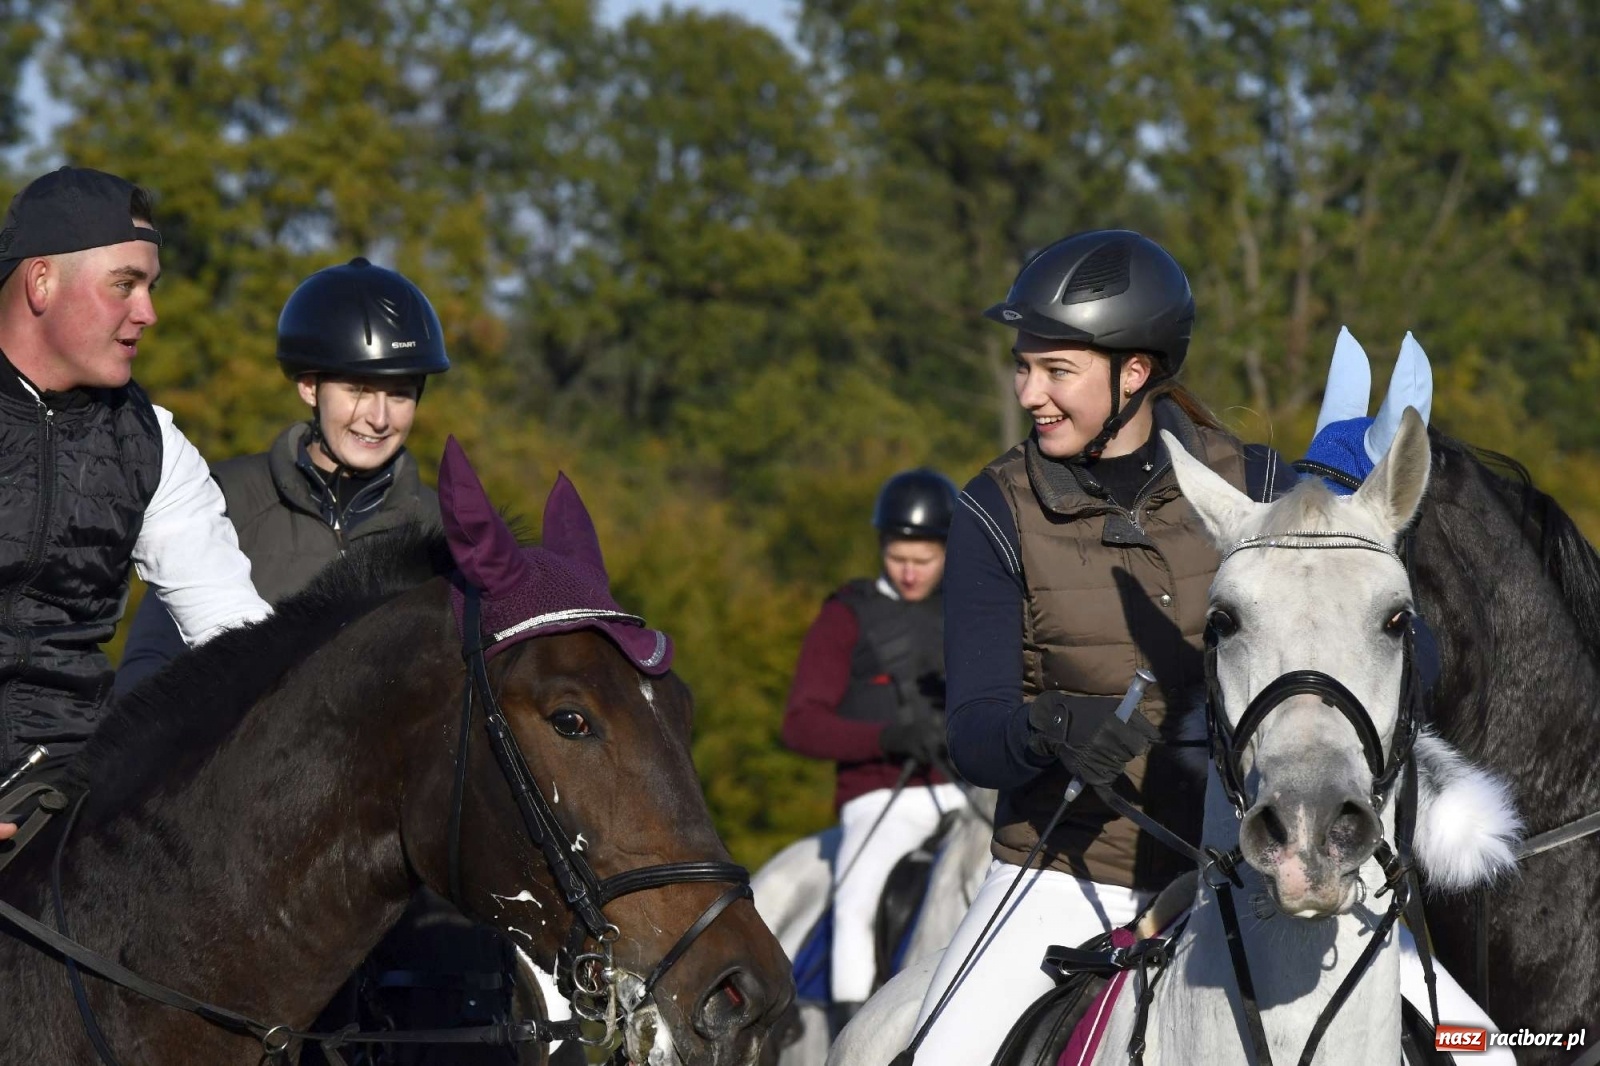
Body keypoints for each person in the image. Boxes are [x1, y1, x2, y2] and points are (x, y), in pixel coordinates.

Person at [906, 229, 1505, 1064]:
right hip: (1071, 877)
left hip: (1262, 861)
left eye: (1055, 371)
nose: (1029, 393)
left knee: (1493, 1054)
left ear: (1135, 373)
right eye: (1022, 367)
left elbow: (1410, 655)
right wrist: (1047, 726)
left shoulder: (1256, 484)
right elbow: (973, 736)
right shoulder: (992, 511)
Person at [0, 166, 270, 821]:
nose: (148, 313)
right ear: (42, 282)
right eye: (125, 285)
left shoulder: (152, 442)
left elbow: (238, 636)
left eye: (150, 287)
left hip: (73, 804)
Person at [115, 257, 447, 693]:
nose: (379, 418)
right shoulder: (219, 498)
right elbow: (150, 670)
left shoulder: (443, 531)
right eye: (358, 391)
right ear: (309, 387)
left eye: (401, 396)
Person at [780, 468, 967, 1035]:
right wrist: (884, 738)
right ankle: (848, 1033)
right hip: (878, 799)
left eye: (924, 559)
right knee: (858, 896)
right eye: (897, 557)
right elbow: (799, 725)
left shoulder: (969, 613)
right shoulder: (845, 616)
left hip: (964, 793)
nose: (909, 572)